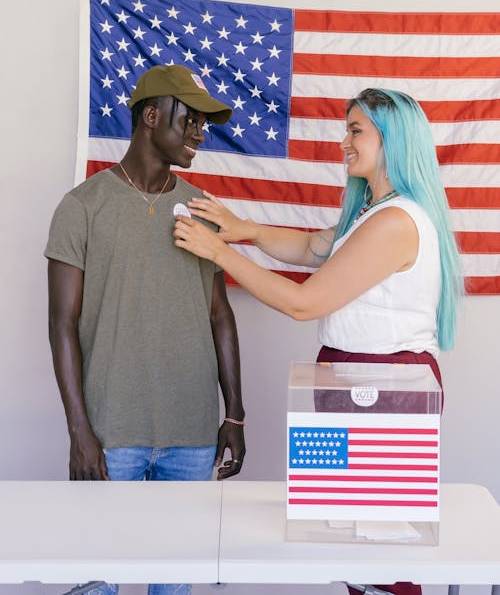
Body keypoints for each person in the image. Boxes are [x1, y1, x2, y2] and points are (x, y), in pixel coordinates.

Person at [174, 87, 463, 595]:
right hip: (351, 378)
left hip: (385, 391)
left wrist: (219, 252)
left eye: (355, 131)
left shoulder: (397, 222)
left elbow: (303, 303)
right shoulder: (377, 210)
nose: (342, 143)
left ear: (392, 140)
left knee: (383, 549)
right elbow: (312, 247)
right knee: (348, 539)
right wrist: (246, 230)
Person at [45, 65, 245, 595]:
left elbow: (220, 314)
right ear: (151, 116)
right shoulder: (83, 206)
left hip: (191, 436)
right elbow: (61, 325)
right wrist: (79, 432)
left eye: (206, 123)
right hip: (111, 437)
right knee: (94, 583)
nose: (201, 134)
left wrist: (235, 414)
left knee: (174, 587)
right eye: (192, 121)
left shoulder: (201, 212)